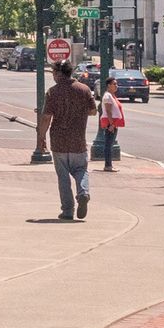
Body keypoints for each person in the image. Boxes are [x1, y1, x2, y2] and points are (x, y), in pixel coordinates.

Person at [43, 61, 97, 221]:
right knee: (81, 170)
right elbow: (93, 111)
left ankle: (67, 210)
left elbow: (46, 117)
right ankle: (83, 193)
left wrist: (41, 137)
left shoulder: (53, 92)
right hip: (78, 140)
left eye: (53, 73)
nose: (53, 76)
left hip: (58, 141)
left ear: (59, 73)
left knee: (63, 177)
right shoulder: (84, 90)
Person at [98, 78, 125, 172]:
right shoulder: (107, 96)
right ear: (109, 85)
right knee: (108, 145)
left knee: (110, 144)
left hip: (113, 123)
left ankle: (109, 165)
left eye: (116, 84)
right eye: (114, 84)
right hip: (110, 123)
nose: (116, 86)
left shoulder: (112, 96)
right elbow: (108, 111)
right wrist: (111, 124)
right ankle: (108, 165)